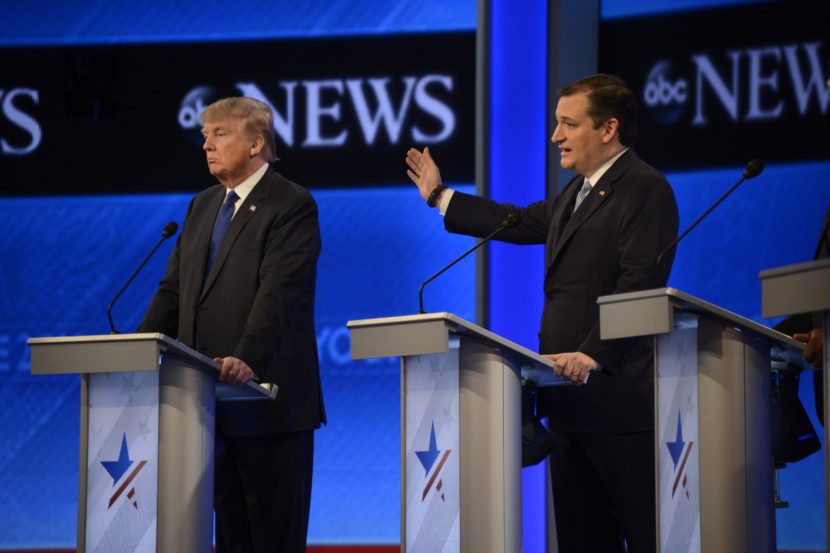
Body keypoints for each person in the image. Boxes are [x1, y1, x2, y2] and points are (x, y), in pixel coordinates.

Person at [406, 74, 678, 553]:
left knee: (646, 537)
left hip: (618, 399)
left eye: (568, 124)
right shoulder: (573, 194)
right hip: (566, 398)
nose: (556, 136)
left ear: (608, 128)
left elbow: (641, 283)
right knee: (581, 539)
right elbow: (516, 221)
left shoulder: (643, 188)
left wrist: (594, 354)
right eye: (557, 124)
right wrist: (440, 196)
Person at [137, 97, 325, 553]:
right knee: (230, 543)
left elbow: (278, 295)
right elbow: (173, 290)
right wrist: (136, 349)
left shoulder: (291, 204)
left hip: (267, 404)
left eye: (219, 134)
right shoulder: (202, 206)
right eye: (204, 135)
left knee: (271, 542)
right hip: (205, 409)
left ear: (256, 142)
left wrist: (247, 360)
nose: (206, 145)